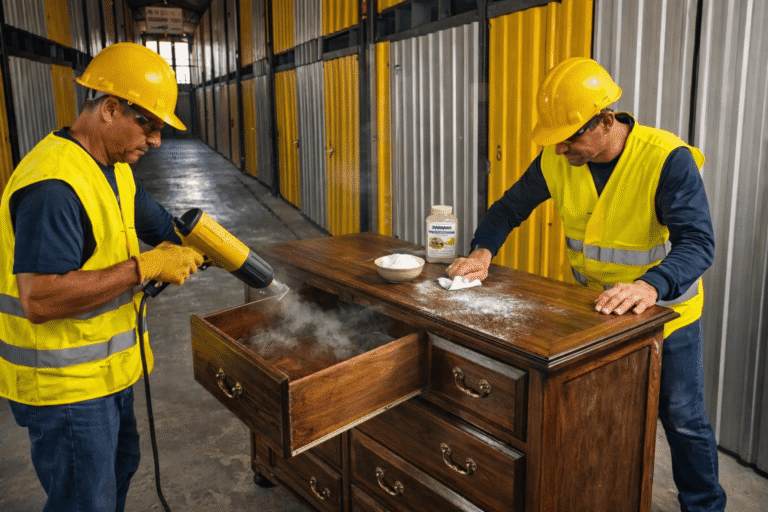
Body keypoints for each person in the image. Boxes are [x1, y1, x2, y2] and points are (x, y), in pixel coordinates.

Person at [447, 57, 725, 512]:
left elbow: (698, 244)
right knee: (602, 419)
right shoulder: (558, 162)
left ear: (607, 121)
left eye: (570, 137)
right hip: (594, 314)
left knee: (684, 421)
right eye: (555, 140)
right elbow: (505, 210)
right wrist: (482, 252)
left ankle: (706, 506)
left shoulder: (666, 159)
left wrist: (651, 286)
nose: (561, 150)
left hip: (666, 317)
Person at [0, 42, 204, 511]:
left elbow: (165, 227)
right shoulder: (53, 186)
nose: (155, 140)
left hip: (107, 374)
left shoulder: (114, 169)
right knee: (84, 500)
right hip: (65, 387)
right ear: (110, 110)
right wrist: (144, 267)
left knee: (118, 470)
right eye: (148, 124)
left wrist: (224, 250)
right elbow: (41, 300)